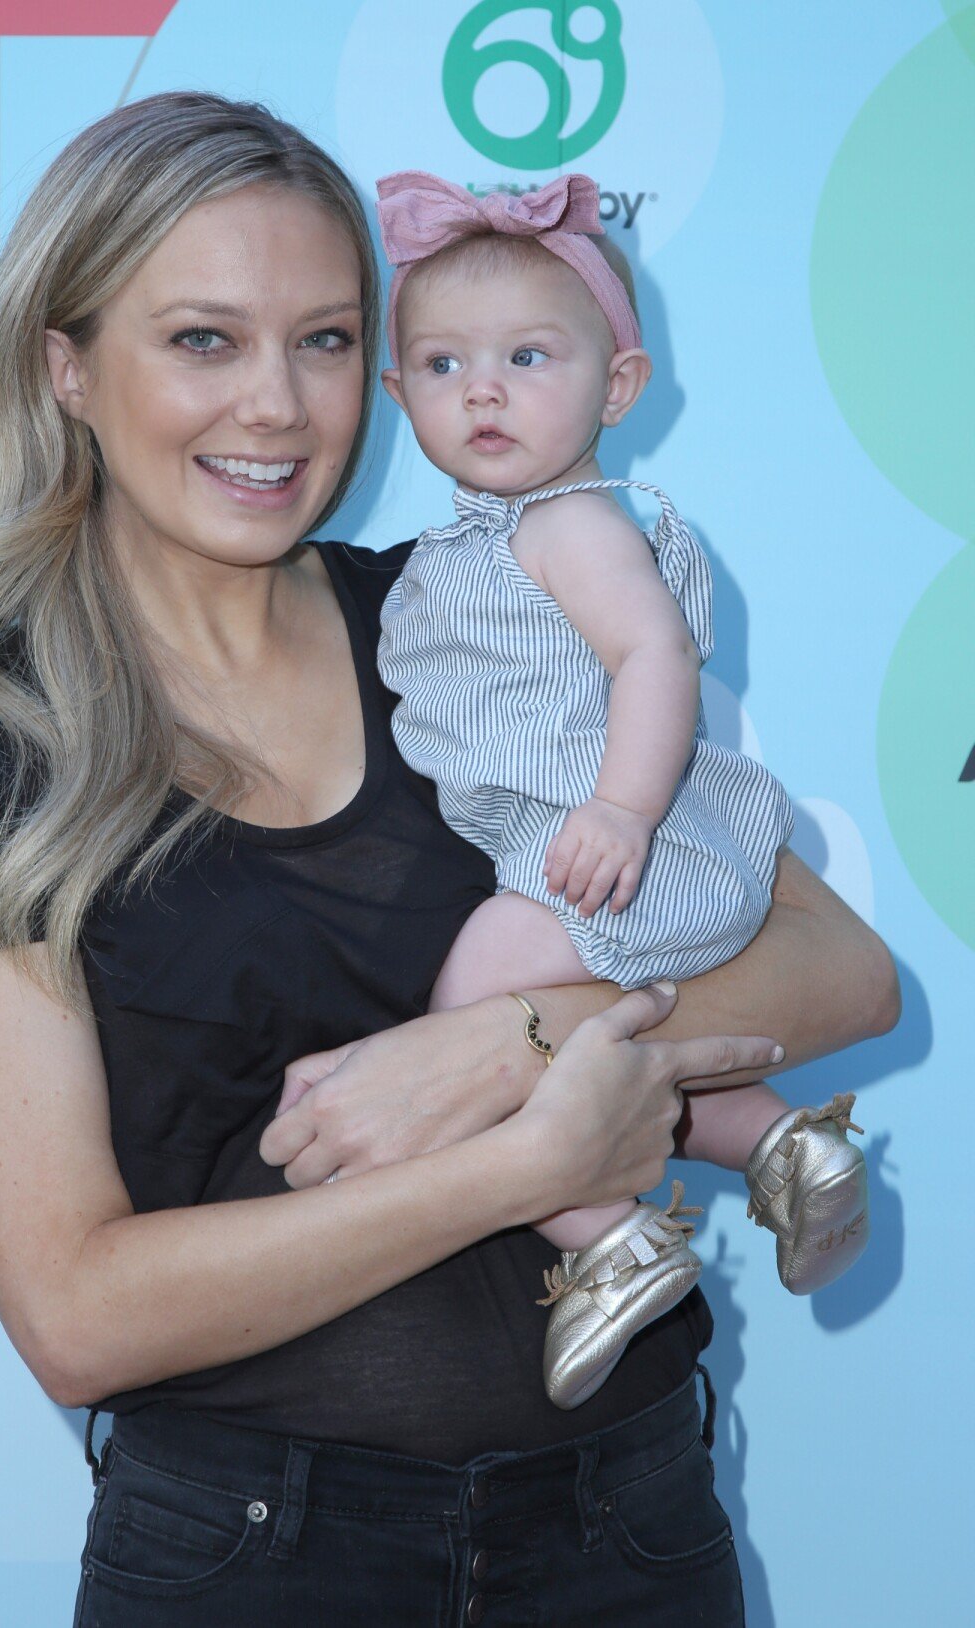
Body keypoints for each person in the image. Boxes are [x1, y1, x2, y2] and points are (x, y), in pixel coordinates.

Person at [0, 92, 898, 1627]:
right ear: (65, 365)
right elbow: (74, 1313)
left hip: (632, 1523)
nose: (277, 406)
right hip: (252, 1560)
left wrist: (497, 1043)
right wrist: (518, 1165)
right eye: (205, 339)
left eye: (326, 340)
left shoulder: (466, 620)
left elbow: (840, 971)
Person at [366, 169, 871, 1411]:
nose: (481, 389)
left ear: (620, 384)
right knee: (585, 1050)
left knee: (473, 1007)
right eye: (441, 365)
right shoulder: (470, 545)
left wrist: (623, 810)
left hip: (617, 841)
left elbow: (656, 654)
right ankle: (775, 1138)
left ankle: (607, 1231)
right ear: (396, 396)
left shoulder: (568, 523)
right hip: (596, 842)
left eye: (529, 356)